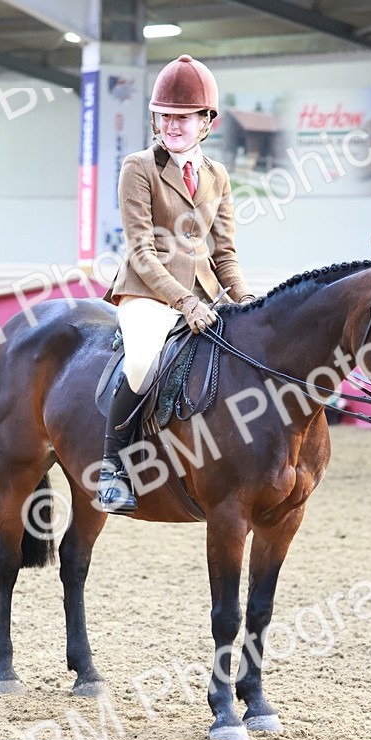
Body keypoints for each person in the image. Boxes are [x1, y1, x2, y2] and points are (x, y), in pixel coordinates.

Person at [97, 54, 256, 513]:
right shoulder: (139, 167)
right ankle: (112, 467)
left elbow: (224, 251)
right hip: (147, 293)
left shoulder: (217, 175)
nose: (172, 125)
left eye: (183, 118)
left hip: (206, 296)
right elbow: (142, 251)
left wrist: (245, 299)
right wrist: (184, 301)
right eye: (165, 116)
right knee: (144, 362)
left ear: (207, 121)